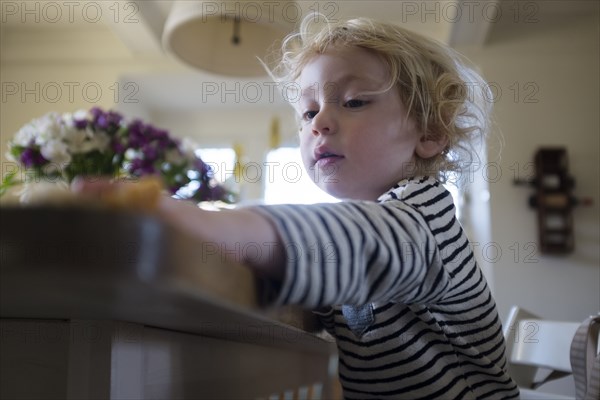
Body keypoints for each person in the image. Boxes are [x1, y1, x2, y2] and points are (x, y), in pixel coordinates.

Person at [76, 16, 519, 400]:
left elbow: (362, 241)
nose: (320, 122)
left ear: (430, 133)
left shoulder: (424, 217)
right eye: (308, 113)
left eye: (354, 101)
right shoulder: (368, 221)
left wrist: (211, 226)